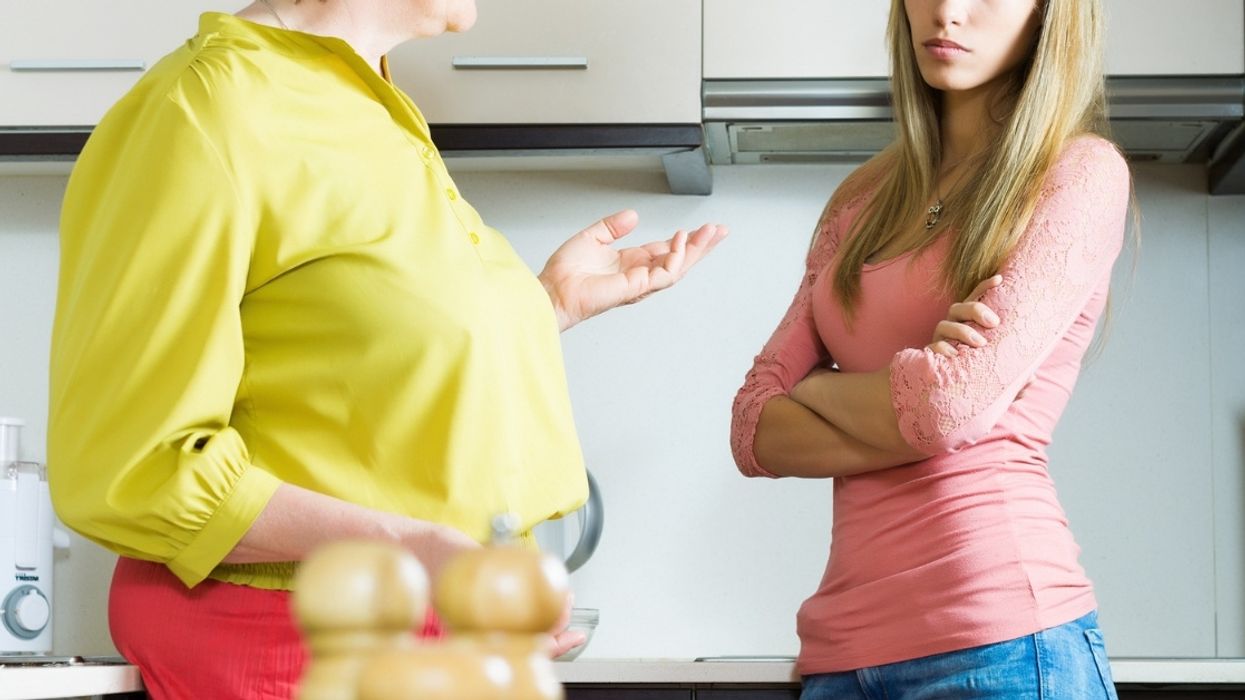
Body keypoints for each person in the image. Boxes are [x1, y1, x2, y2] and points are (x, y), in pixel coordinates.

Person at [47, 1, 726, 698]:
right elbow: (130, 468)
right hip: (286, 648)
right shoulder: (202, 108)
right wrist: (413, 549)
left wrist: (543, 305)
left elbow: (348, 367)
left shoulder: (370, 105)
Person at [730, 0, 1130, 697]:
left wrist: (818, 388)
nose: (946, 11)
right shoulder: (861, 199)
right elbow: (751, 427)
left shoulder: (1077, 173)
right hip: (839, 657)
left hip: (1001, 641)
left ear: (1049, 14)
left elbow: (945, 409)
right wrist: (923, 401)